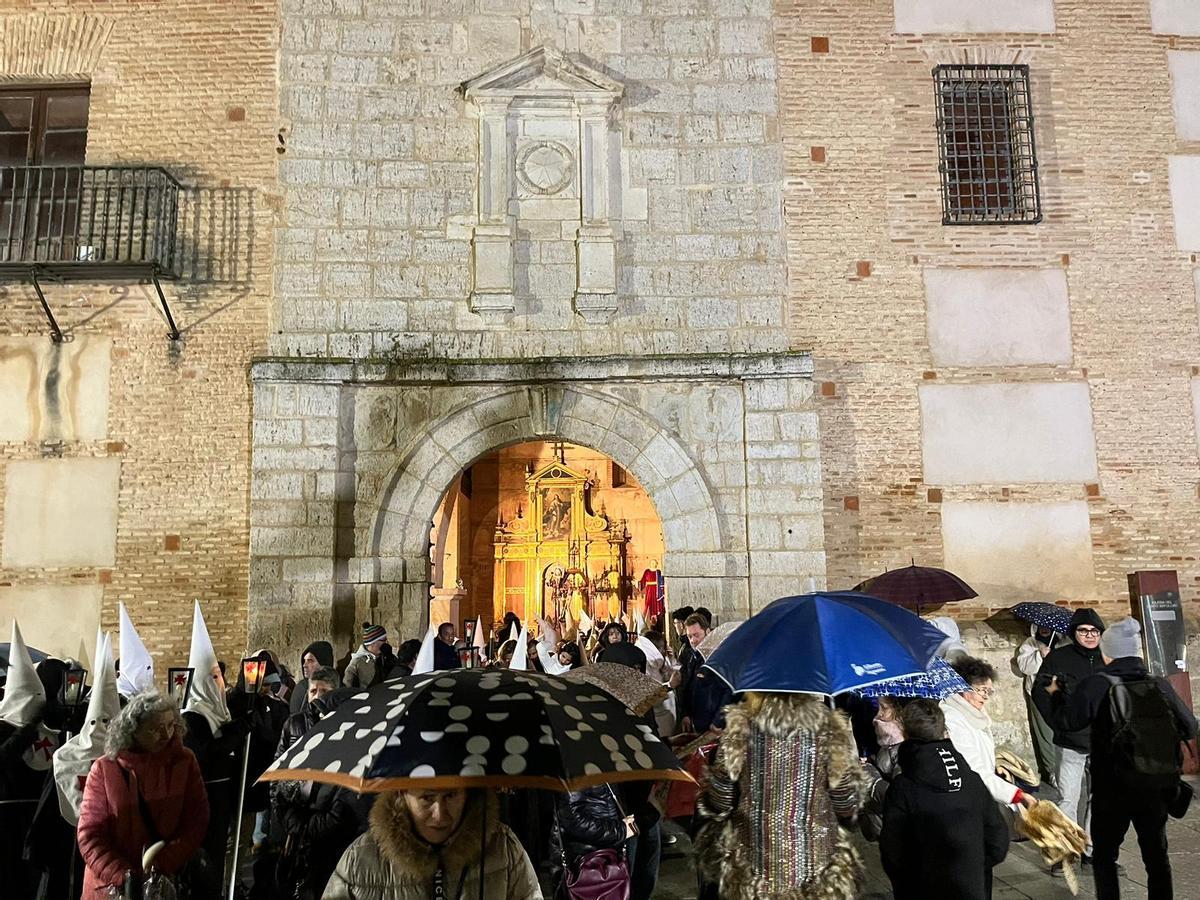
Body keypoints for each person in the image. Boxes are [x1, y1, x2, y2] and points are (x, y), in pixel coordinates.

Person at [1047, 617, 1197, 900]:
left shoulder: (1096, 684)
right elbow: (1190, 726)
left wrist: (1056, 695)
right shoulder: (1158, 684)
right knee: (1156, 856)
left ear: (1108, 652)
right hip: (1155, 784)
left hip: (1112, 789)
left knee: (1104, 857)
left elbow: (1068, 722)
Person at [696, 691, 865, 898]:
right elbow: (846, 803)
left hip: (753, 861)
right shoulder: (829, 728)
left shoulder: (741, 725)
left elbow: (720, 799)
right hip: (817, 866)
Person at [76, 692, 210, 900]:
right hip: (111, 887)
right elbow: (90, 833)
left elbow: (196, 820)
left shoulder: (184, 762)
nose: (166, 734)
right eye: (155, 729)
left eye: (170, 725)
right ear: (134, 730)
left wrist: (163, 862)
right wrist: (121, 874)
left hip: (164, 883)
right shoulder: (105, 768)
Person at [880, 699, 1009, 900]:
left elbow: (893, 852)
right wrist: (973, 868)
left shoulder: (903, 787)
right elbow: (998, 839)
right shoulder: (971, 780)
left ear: (905, 733)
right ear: (943, 731)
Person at [323, 788, 541, 899]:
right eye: (427, 797)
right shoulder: (360, 860)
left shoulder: (504, 850)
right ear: (402, 793)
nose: (440, 815)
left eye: (451, 796)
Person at [269, 679, 368, 900]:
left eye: (323, 691)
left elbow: (343, 813)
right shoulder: (308, 735)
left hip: (339, 854)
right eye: (313, 691)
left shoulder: (358, 754)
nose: (316, 696)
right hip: (305, 851)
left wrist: (302, 826)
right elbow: (282, 781)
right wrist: (286, 814)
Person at [1034, 608, 1107, 845]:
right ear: (1074, 633)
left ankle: (1093, 850)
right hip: (1071, 741)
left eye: (1094, 631)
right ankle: (1067, 849)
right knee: (1068, 799)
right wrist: (1059, 722)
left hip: (1103, 741)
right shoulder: (1059, 659)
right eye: (1083, 630)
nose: (1089, 635)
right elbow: (1043, 692)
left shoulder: (1108, 659)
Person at [941, 657, 1037, 817]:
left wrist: (995, 765)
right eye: (981, 690)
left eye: (989, 691)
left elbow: (981, 752)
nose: (986, 696)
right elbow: (973, 768)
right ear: (962, 688)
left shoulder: (974, 712)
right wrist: (1016, 795)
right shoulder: (953, 719)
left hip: (981, 792)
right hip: (966, 799)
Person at [551, 783, 635, 897]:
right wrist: (621, 830)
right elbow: (573, 819)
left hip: (606, 857)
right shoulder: (575, 768)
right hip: (583, 862)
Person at [1014, 624, 1064, 786]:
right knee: (1045, 733)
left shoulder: (1065, 643)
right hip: (1040, 693)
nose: (1044, 629)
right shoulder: (1031, 643)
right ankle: (1052, 771)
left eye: (1048, 626)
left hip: (1063, 692)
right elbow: (1025, 667)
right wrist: (1039, 656)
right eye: (1041, 626)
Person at [291, 640, 337, 714]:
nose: (304, 665)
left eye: (310, 661)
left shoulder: (340, 687)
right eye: (304, 661)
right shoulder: (302, 687)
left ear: (323, 662)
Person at [344, 623, 390, 688]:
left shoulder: (383, 657)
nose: (386, 643)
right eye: (383, 640)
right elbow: (347, 688)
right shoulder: (356, 663)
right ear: (373, 643)